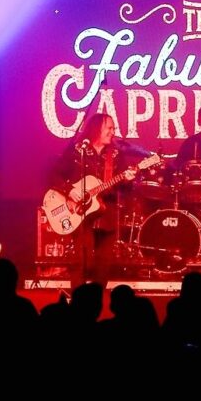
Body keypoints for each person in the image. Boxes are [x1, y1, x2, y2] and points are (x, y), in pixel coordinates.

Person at [48, 113, 136, 285]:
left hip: (106, 215)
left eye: (113, 128)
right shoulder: (77, 151)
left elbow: (125, 188)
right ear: (97, 128)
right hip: (81, 215)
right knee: (82, 261)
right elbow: (54, 176)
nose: (113, 132)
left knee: (104, 264)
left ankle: (98, 298)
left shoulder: (116, 154)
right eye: (109, 128)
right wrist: (70, 191)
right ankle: (78, 298)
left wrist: (128, 179)